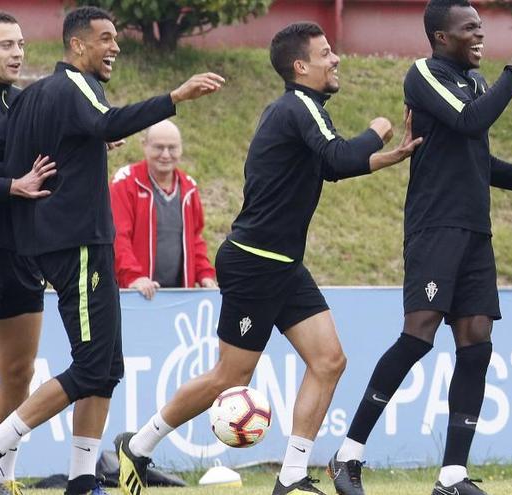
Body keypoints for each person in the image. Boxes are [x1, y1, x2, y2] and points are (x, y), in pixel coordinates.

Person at [114, 21, 421, 495]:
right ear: (301, 67)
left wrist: (388, 156)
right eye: (326, 53)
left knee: (329, 360)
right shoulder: (300, 105)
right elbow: (339, 157)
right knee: (230, 376)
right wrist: (378, 131)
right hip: (256, 260)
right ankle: (138, 445)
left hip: (282, 263)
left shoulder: (300, 112)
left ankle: (293, 476)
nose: (335, 58)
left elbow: (329, 166)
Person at [328, 2, 512, 494]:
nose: (480, 34)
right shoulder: (423, 75)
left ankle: (451, 475)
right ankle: (348, 456)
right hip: (436, 226)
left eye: (481, 26)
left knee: (476, 339)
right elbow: (472, 123)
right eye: (469, 28)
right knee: (420, 334)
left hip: (475, 230)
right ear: (440, 38)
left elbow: (480, 160)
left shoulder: (474, 84)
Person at [0, 7, 223, 495]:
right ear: (77, 46)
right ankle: (2, 442)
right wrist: (175, 96)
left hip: (66, 243)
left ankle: (82, 480)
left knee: (108, 368)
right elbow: (106, 121)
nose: (115, 47)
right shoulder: (72, 85)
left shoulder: (32, 97)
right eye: (106, 38)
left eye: (116, 38)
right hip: (77, 244)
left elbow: (80, 136)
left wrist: (91, 139)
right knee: (89, 366)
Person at [0, 12, 57, 495]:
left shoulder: (24, 103)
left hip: (19, 255)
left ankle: (4, 470)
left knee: (20, 371)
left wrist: (96, 140)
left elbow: (57, 145)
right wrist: (8, 187)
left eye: (19, 44)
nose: (17, 53)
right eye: (4, 45)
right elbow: (17, 181)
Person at [110, 119, 217, 300]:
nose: (166, 155)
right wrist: (133, 277)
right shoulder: (125, 183)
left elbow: (195, 239)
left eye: (172, 148)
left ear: (181, 149)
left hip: (178, 298)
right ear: (145, 146)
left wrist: (205, 274)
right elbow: (117, 236)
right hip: (134, 295)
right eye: (159, 147)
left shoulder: (189, 188)